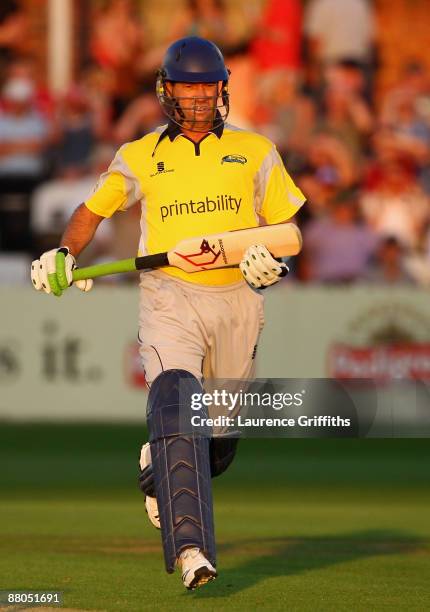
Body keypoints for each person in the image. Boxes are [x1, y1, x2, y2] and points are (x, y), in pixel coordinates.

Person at [30, 37, 305, 590]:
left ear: (222, 89)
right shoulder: (139, 155)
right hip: (169, 294)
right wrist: (65, 253)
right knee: (177, 401)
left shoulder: (257, 151)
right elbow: (91, 210)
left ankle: (159, 463)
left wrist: (272, 263)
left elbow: (290, 232)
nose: (199, 96)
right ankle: (191, 551)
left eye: (208, 86)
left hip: (237, 301)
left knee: (219, 442)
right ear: (167, 90)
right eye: (187, 86)